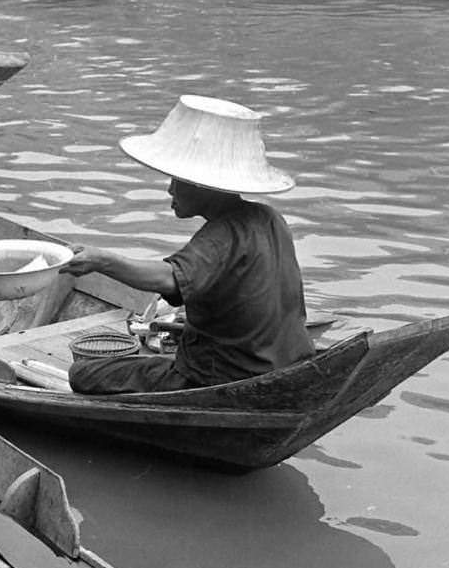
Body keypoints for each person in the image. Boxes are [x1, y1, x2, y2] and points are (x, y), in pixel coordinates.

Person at [66, 95, 313, 394]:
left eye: (177, 179)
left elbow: (166, 278)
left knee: (82, 374)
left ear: (201, 184)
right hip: (286, 365)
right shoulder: (270, 218)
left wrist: (100, 261)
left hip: (218, 379)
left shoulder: (220, 236)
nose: (170, 188)